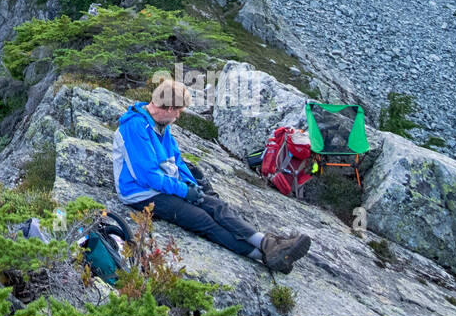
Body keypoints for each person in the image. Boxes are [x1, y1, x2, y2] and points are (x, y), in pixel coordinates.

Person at [113, 78, 311, 273]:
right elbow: (149, 177)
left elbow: (177, 161)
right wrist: (184, 191)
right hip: (141, 193)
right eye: (179, 112)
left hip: (165, 185)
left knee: (216, 205)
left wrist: (191, 186)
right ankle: (264, 257)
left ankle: (268, 244)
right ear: (170, 108)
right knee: (203, 220)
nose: (179, 117)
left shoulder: (161, 126)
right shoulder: (135, 127)